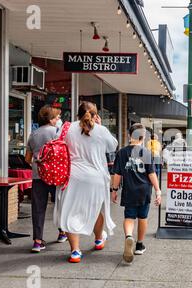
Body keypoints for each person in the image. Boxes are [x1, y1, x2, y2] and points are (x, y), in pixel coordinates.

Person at [54, 101, 118, 263]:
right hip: (96, 177)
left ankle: (75, 251)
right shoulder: (101, 130)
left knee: (69, 212)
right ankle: (98, 239)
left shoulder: (67, 128)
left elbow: (57, 144)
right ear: (96, 114)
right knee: (97, 210)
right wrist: (101, 126)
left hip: (72, 176)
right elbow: (113, 146)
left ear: (78, 113)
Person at [111, 123, 161, 263]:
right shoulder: (146, 152)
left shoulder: (121, 153)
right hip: (144, 190)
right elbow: (151, 174)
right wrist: (158, 190)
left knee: (129, 217)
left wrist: (114, 190)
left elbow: (117, 175)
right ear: (143, 137)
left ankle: (128, 236)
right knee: (142, 217)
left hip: (129, 190)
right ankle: (139, 245)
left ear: (129, 135)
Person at [25, 105, 67, 253]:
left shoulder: (33, 134)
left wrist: (39, 164)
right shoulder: (57, 132)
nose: (59, 119)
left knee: (38, 208)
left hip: (38, 175)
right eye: (57, 117)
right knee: (60, 204)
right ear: (50, 119)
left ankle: (37, 241)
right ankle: (62, 232)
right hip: (57, 176)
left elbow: (28, 158)